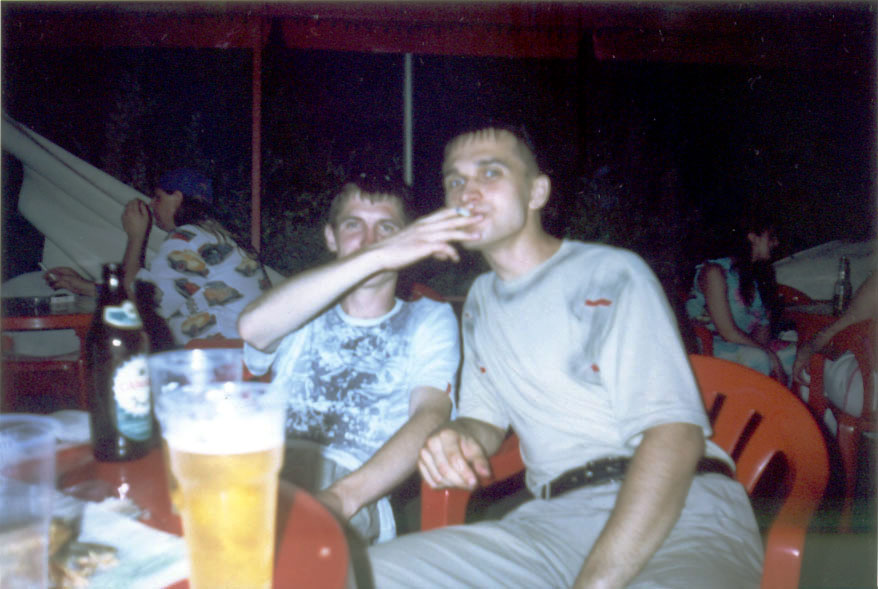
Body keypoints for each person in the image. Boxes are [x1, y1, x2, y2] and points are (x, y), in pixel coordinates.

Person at [369, 126, 763, 588]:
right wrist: (459, 435)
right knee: (360, 573)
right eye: (455, 180)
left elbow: (675, 438)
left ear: (537, 192)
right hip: (552, 524)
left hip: (682, 513)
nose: (466, 192)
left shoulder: (609, 274)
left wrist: (594, 581)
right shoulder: (479, 300)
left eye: (490, 173)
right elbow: (484, 420)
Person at [237, 173, 475, 544]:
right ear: (330, 237)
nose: (368, 240)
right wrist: (377, 255)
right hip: (262, 463)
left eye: (386, 228)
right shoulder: (303, 304)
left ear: (408, 240)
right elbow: (252, 328)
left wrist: (341, 498)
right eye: (353, 225)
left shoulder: (428, 318)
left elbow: (431, 416)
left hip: (353, 487)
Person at [45, 169, 269, 346]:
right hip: (240, 349)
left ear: (177, 198)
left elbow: (135, 303)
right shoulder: (212, 236)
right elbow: (149, 289)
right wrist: (81, 286)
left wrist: (136, 236)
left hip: (221, 357)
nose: (151, 204)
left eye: (158, 197)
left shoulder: (187, 240)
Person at [685, 219, 796, 383]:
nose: (776, 243)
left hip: (740, 345)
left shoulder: (757, 279)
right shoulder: (714, 272)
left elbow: (762, 330)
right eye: (771, 237)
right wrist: (768, 354)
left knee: (794, 353)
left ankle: (779, 399)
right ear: (752, 237)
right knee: (759, 357)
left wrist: (769, 353)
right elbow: (727, 332)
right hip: (707, 346)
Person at [792, 272, 876, 434]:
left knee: (811, 366)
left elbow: (844, 324)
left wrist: (807, 349)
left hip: (869, 397)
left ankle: (818, 442)